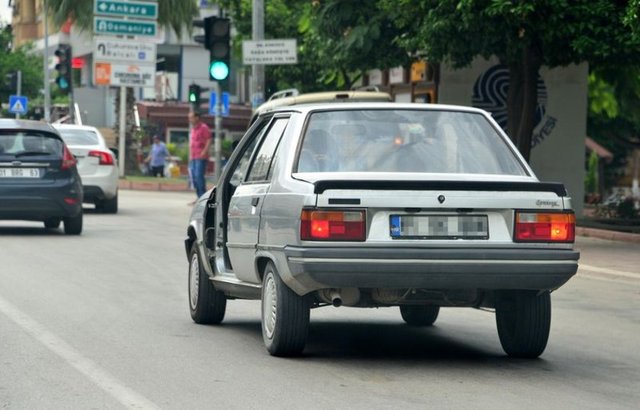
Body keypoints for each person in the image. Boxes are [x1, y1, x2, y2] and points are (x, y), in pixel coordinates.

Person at [188, 111, 212, 199]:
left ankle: (203, 198)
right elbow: (192, 143)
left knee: (199, 176)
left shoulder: (203, 127)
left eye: (191, 117)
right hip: (194, 157)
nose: (190, 120)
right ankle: (199, 198)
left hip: (201, 157)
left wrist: (204, 152)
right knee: (194, 178)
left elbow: (209, 140)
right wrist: (190, 155)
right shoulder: (193, 129)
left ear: (197, 118)